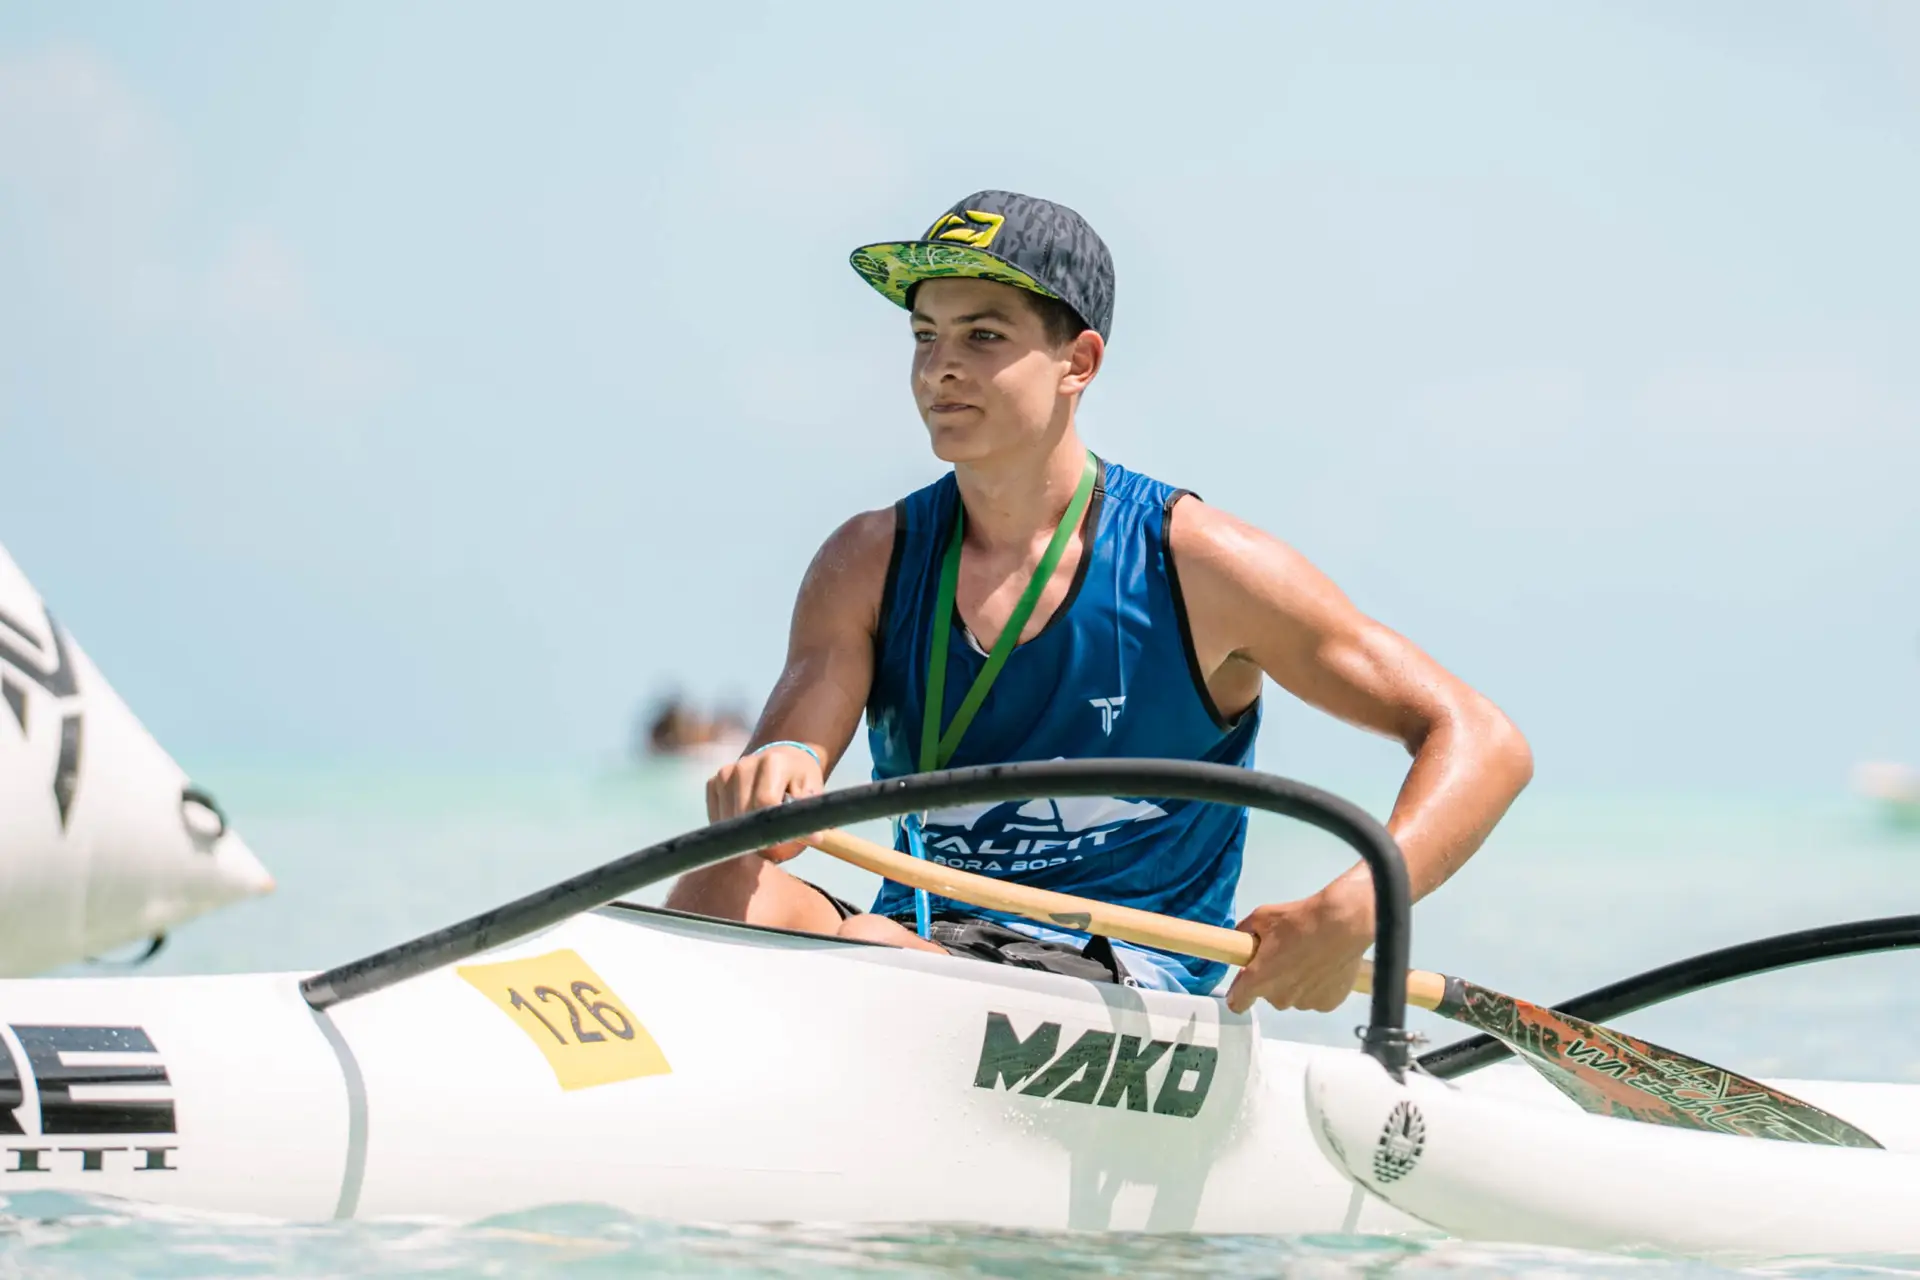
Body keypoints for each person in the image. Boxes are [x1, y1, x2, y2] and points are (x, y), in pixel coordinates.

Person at [666, 190, 1533, 1012]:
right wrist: (774, 774)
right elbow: (782, 804)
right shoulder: (867, 561)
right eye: (924, 336)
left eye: (983, 336)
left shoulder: (1195, 562)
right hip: (915, 942)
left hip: (1128, 982)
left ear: (1078, 362)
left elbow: (1482, 741)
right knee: (716, 888)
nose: (940, 370)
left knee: (882, 957)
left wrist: (1353, 912)